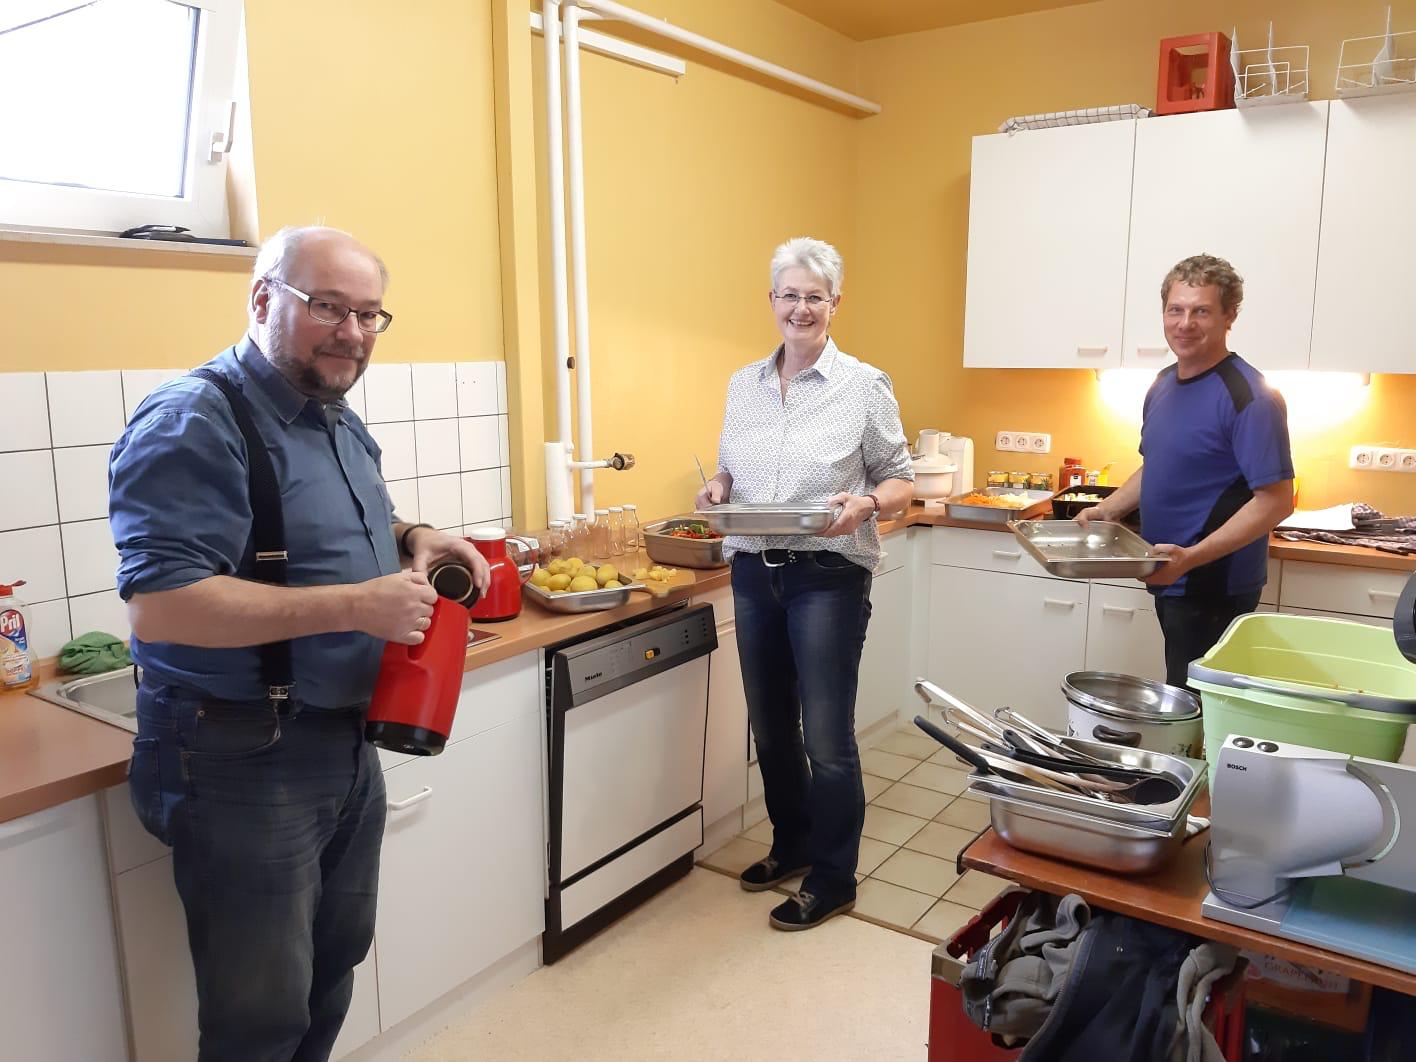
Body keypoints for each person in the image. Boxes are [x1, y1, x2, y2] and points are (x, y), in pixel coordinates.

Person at [109, 225, 491, 1061]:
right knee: (260, 1020)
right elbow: (162, 607)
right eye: (326, 307)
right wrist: (356, 604)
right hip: (241, 751)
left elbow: (318, 527)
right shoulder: (194, 419)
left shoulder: (330, 414)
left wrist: (413, 537)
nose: (352, 333)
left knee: (330, 972)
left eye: (369, 314)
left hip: (342, 738)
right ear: (262, 299)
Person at [696, 236, 914, 931]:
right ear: (772, 300)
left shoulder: (864, 385)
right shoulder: (744, 384)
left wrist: (867, 503)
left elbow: (899, 480)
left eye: (813, 296)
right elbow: (732, 470)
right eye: (789, 295)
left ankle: (833, 877)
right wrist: (717, 487)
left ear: (834, 303)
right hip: (752, 569)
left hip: (827, 574)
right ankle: (790, 845)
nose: (800, 308)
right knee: (770, 728)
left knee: (825, 735)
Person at [1078, 254, 1294, 690]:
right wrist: (1109, 509)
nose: (1185, 323)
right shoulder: (1162, 384)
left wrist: (1189, 559)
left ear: (1229, 316)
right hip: (1168, 573)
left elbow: (1276, 501)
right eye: (1175, 309)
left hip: (1213, 584)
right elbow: (1158, 463)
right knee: (1181, 695)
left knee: (1199, 705)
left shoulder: (1250, 396)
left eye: (1201, 311)